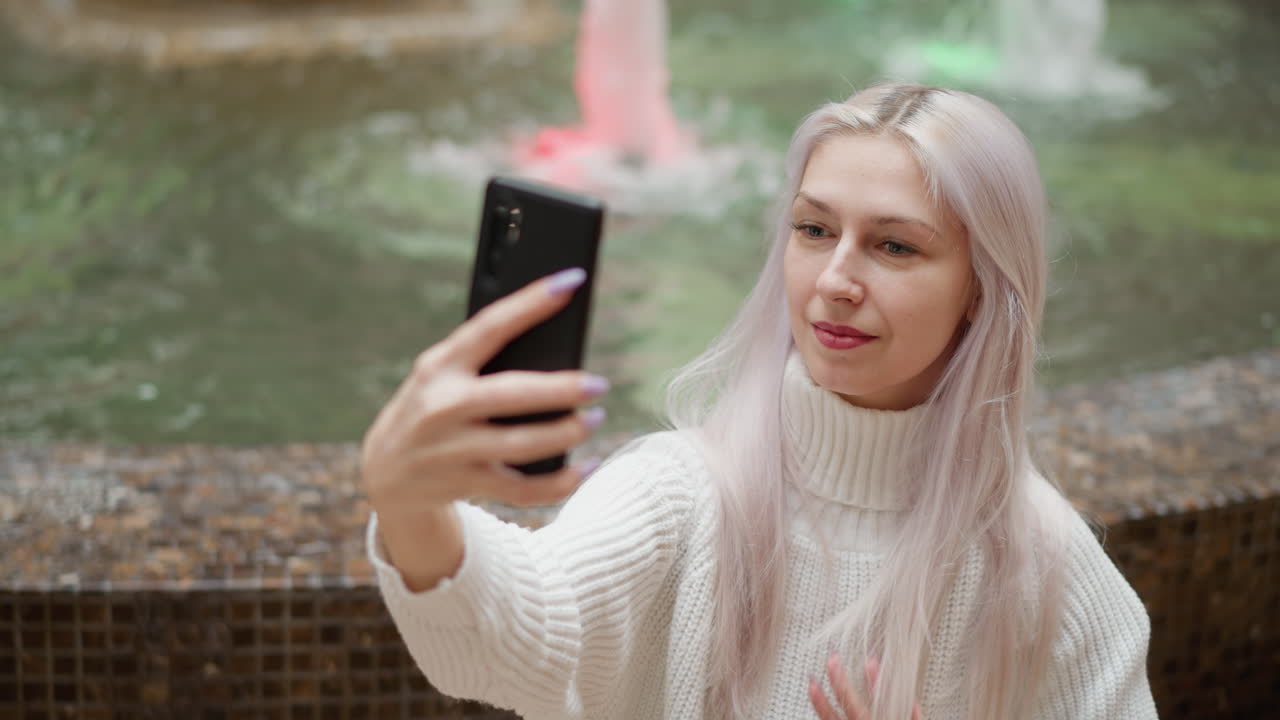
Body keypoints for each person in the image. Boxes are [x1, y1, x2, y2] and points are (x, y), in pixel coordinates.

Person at [359, 83, 1158, 720]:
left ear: (981, 290)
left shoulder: (1044, 564)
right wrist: (408, 502)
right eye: (813, 230)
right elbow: (513, 637)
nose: (836, 280)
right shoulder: (681, 494)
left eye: (893, 245)